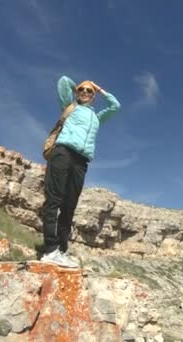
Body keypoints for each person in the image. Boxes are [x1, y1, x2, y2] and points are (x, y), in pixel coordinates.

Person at [40, 75, 121, 268]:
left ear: (93, 96)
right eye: (82, 90)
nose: (85, 92)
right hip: (63, 152)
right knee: (54, 199)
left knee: (69, 206)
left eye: (89, 91)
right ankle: (50, 250)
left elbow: (115, 106)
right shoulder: (70, 106)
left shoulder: (96, 117)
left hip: (81, 161)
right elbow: (62, 81)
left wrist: (98, 88)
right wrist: (79, 86)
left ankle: (61, 250)